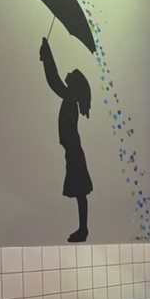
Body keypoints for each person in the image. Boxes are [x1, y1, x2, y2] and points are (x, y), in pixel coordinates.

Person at [39, 37, 92, 242]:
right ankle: (83, 228)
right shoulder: (69, 99)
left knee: (80, 193)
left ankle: (83, 229)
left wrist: (47, 55)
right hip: (73, 151)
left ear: (74, 85)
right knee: (80, 193)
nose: (68, 74)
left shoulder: (69, 99)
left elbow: (54, 80)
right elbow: (54, 80)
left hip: (74, 152)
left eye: (71, 74)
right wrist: (46, 55)